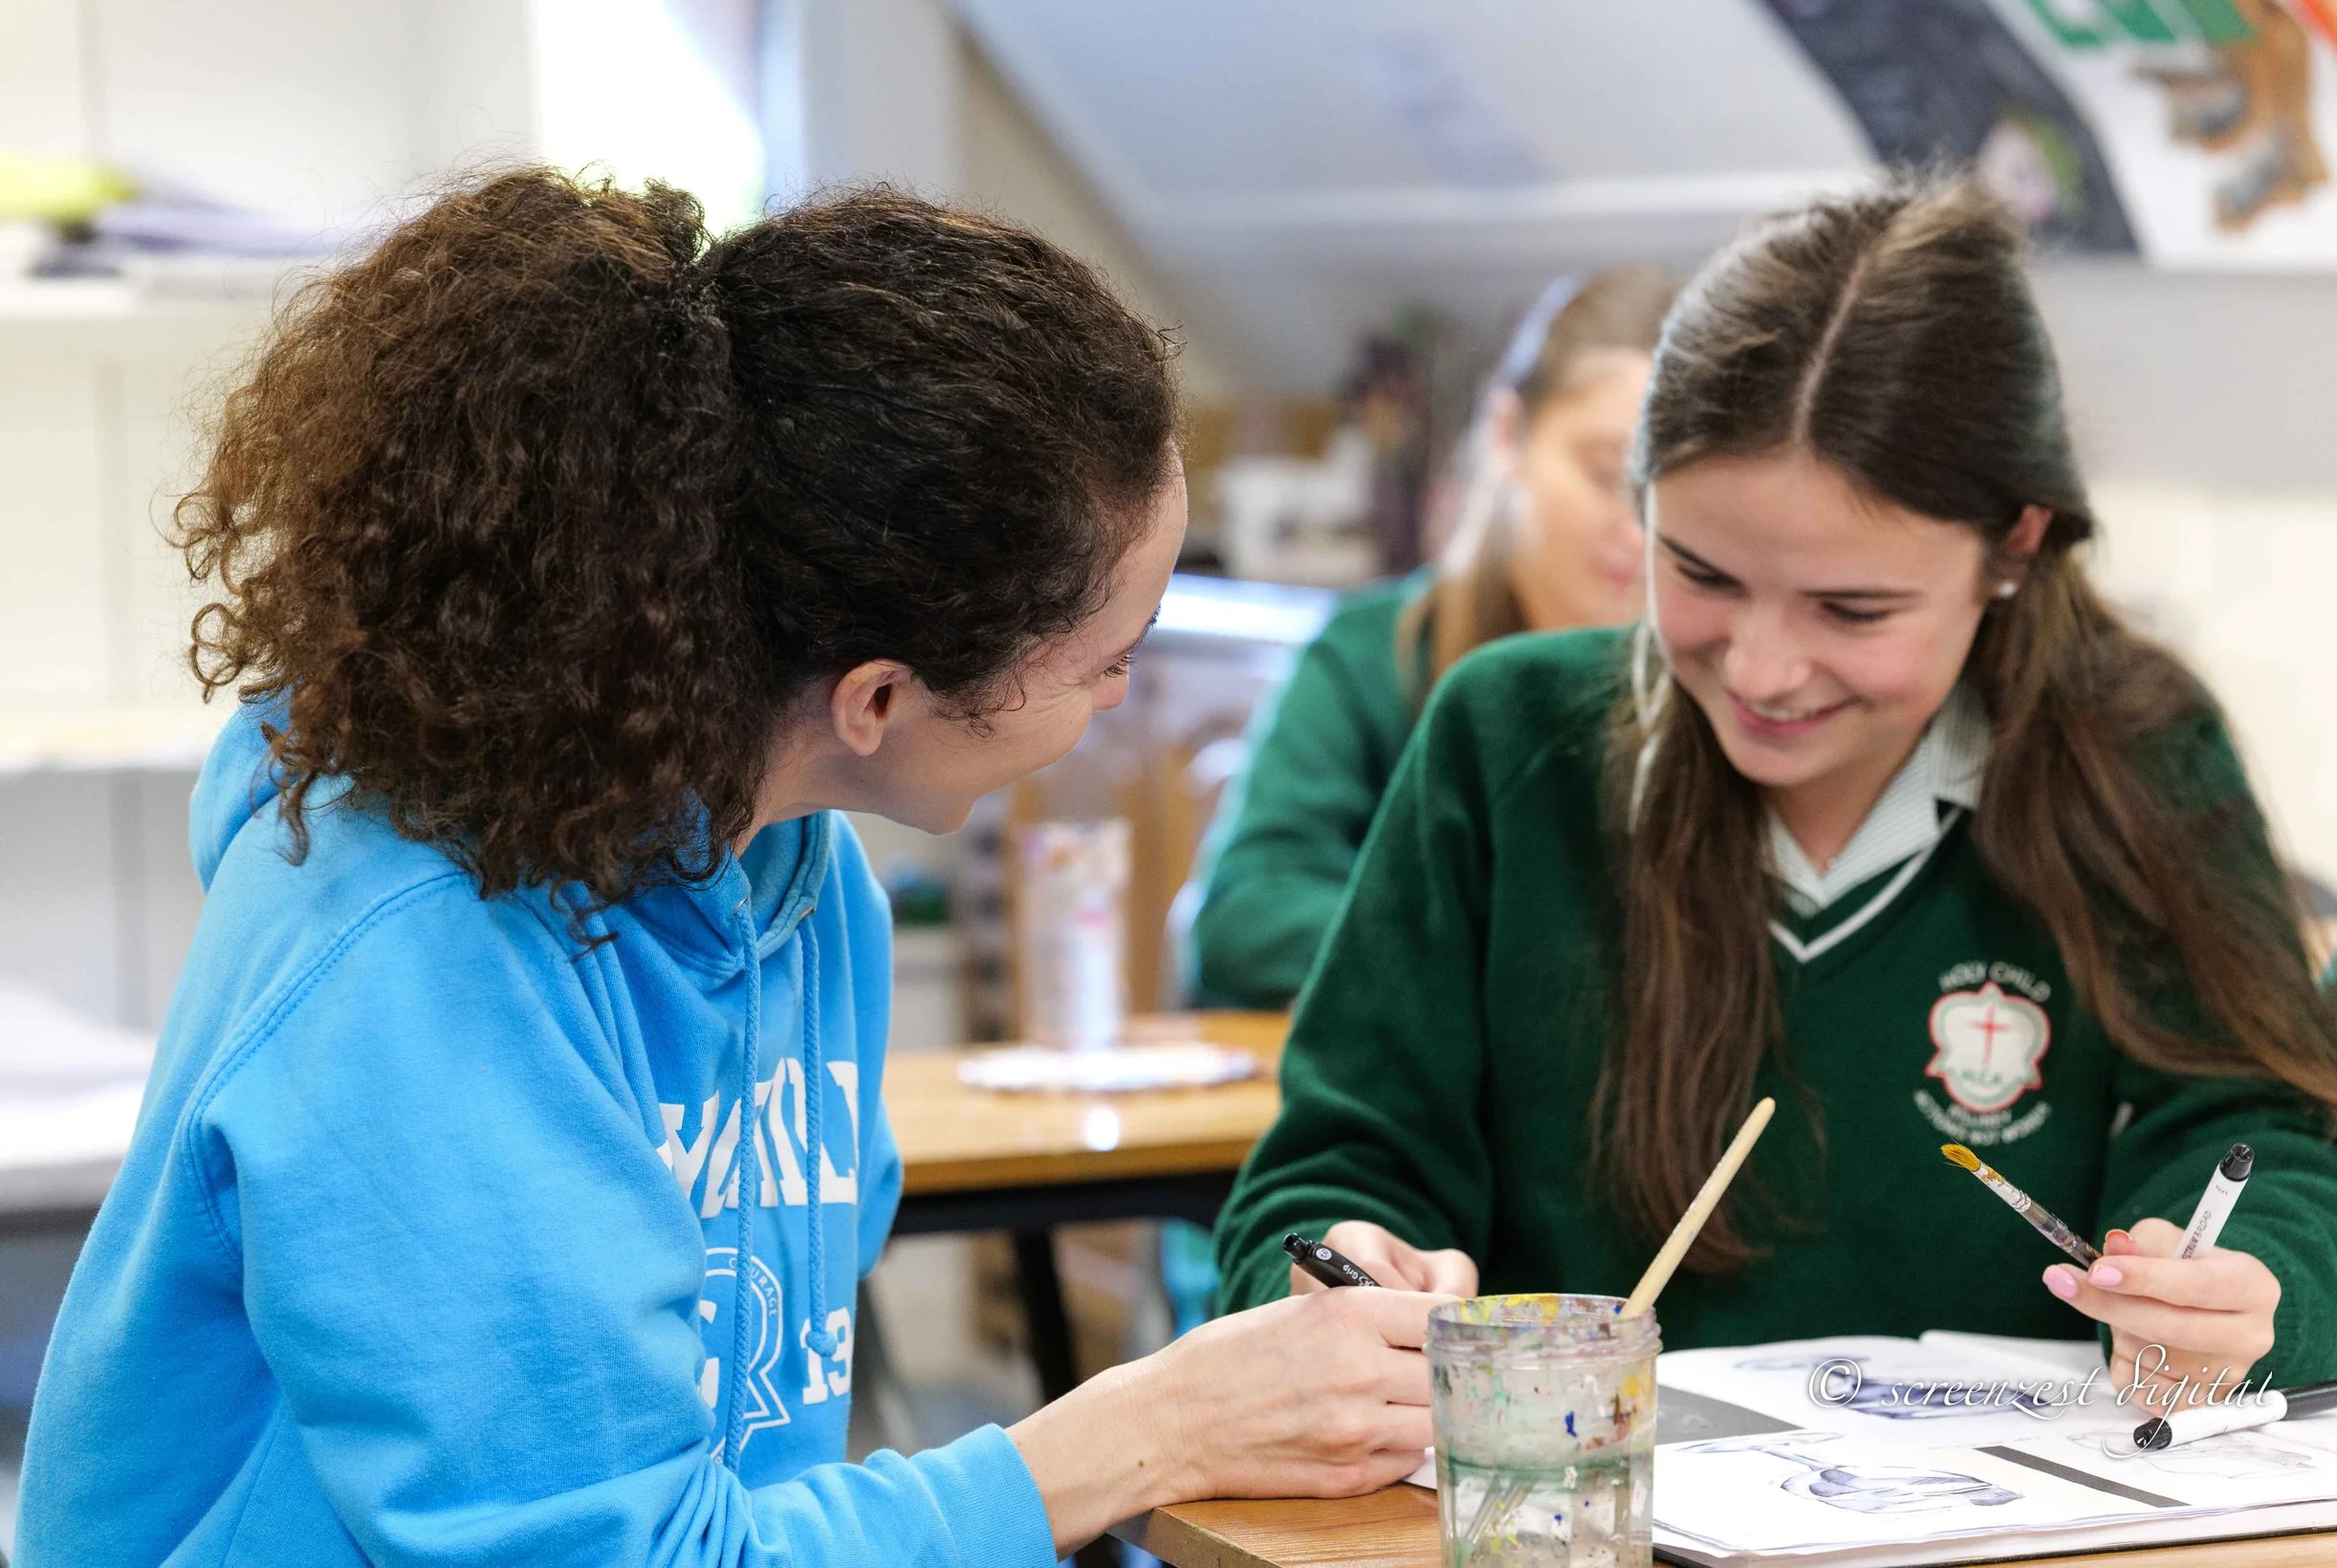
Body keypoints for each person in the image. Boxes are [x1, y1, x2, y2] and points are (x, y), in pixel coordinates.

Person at [17, 171, 1446, 1568]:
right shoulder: (417, 955)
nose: (1124, 702)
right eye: (1106, 663)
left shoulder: (803, 872)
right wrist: (1144, 1431)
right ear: (876, 699)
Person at [1210, 176, 2337, 1408]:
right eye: (1699, 573)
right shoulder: (1505, 740)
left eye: (1852, 608)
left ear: (2016, 545)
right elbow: (1338, 1162)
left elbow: (2277, 1133)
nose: (1764, 669)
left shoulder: (2133, 752)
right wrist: (1345, 1264)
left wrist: (2248, 1287)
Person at [1188, 268, 1677, 1009]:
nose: (1636, 527)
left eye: (1666, 488)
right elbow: (1246, 917)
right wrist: (1508, 962)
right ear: (1507, 434)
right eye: (1607, 474)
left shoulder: (1710, 682)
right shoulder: (1370, 658)